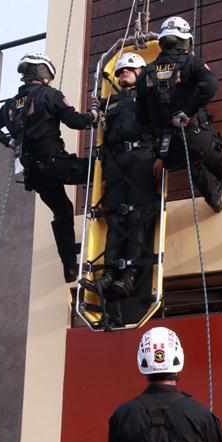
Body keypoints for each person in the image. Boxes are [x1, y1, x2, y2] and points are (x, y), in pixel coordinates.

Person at [137, 16, 222, 247]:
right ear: (184, 41)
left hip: (166, 151)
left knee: (197, 163)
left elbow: (141, 119)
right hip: (195, 137)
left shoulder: (145, 75)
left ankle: (213, 198)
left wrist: (159, 154)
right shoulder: (191, 63)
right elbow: (210, 85)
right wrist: (187, 112)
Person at [0, 52, 99, 283]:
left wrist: (9, 141)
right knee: (103, 169)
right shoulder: (49, 94)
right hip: (57, 164)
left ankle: (69, 267)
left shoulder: (11, 106)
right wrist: (92, 116)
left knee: (62, 210)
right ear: (44, 75)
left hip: (35, 174)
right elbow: (75, 121)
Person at [81, 52, 160, 297]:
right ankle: (108, 276)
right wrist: (104, 176)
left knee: (137, 217)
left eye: (128, 69)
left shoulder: (151, 97)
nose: (122, 72)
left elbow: (161, 127)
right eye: (119, 71)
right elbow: (105, 141)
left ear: (140, 72)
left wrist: (161, 157)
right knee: (115, 218)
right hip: (115, 164)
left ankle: (129, 276)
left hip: (142, 158)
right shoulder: (111, 103)